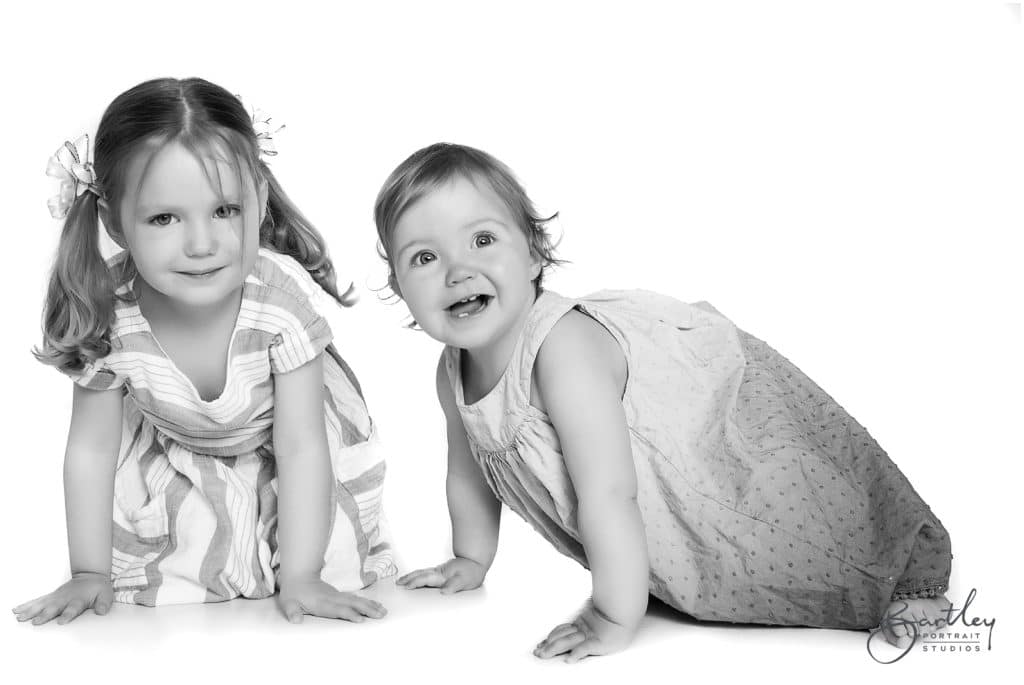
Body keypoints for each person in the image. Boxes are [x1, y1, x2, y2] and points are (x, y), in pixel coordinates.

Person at [375, 142, 952, 661]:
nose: (457, 270)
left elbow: (609, 492)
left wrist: (611, 614)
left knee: (784, 526)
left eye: (482, 240)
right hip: (640, 504)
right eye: (424, 257)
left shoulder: (561, 351)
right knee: (706, 569)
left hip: (700, 453)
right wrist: (470, 561)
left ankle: (902, 578)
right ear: (401, 289)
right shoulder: (450, 370)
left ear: (532, 255)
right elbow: (467, 473)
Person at [12, 77, 395, 626]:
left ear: (259, 200)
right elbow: (92, 452)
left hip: (291, 443)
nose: (200, 244)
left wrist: (303, 575)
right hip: (178, 441)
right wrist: (89, 572)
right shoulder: (109, 311)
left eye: (224, 211)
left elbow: (302, 446)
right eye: (164, 218)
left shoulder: (279, 302)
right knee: (173, 560)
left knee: (318, 548)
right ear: (114, 221)